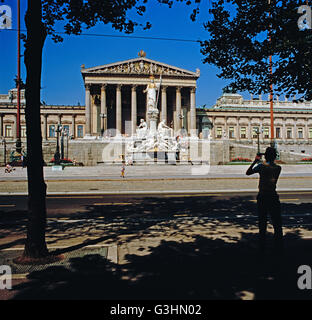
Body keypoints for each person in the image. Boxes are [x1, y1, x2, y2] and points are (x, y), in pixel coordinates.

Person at [246, 147, 283, 254]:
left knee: (262, 222)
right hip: (273, 196)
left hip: (262, 196)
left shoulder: (261, 167)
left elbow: (248, 172)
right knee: (277, 223)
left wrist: (255, 161)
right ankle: (278, 246)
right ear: (275, 156)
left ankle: (262, 246)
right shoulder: (278, 168)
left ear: (266, 156)